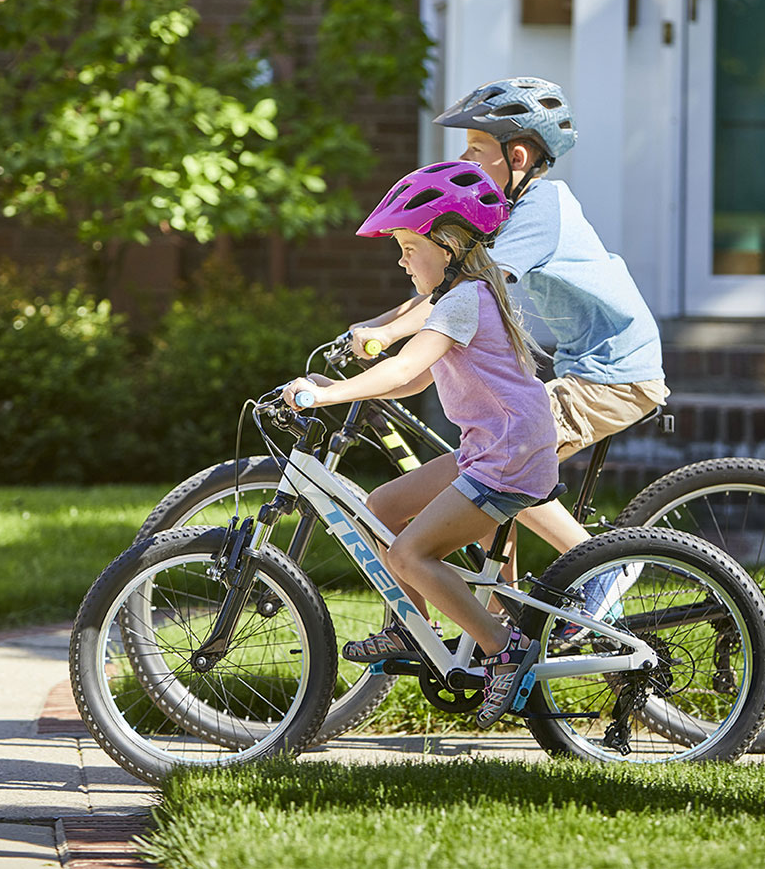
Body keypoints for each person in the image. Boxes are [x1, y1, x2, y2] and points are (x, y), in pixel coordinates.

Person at [349, 77, 668, 590]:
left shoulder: (543, 208)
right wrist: (379, 328)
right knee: (492, 470)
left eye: (477, 147)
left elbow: (462, 290)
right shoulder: (505, 213)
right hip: (586, 370)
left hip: (615, 375)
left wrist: (384, 335)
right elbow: (450, 290)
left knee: (508, 461)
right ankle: (503, 612)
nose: (467, 158)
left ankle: (605, 564)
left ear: (516, 156)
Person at [282, 160, 554, 728]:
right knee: (380, 508)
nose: (402, 259)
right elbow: (415, 378)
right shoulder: (463, 297)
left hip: (506, 456)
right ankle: (413, 628)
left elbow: (403, 362)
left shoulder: (462, 300)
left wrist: (324, 399)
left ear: (450, 244)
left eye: (409, 246)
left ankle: (503, 649)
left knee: (408, 553)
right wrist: (339, 388)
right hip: (493, 446)